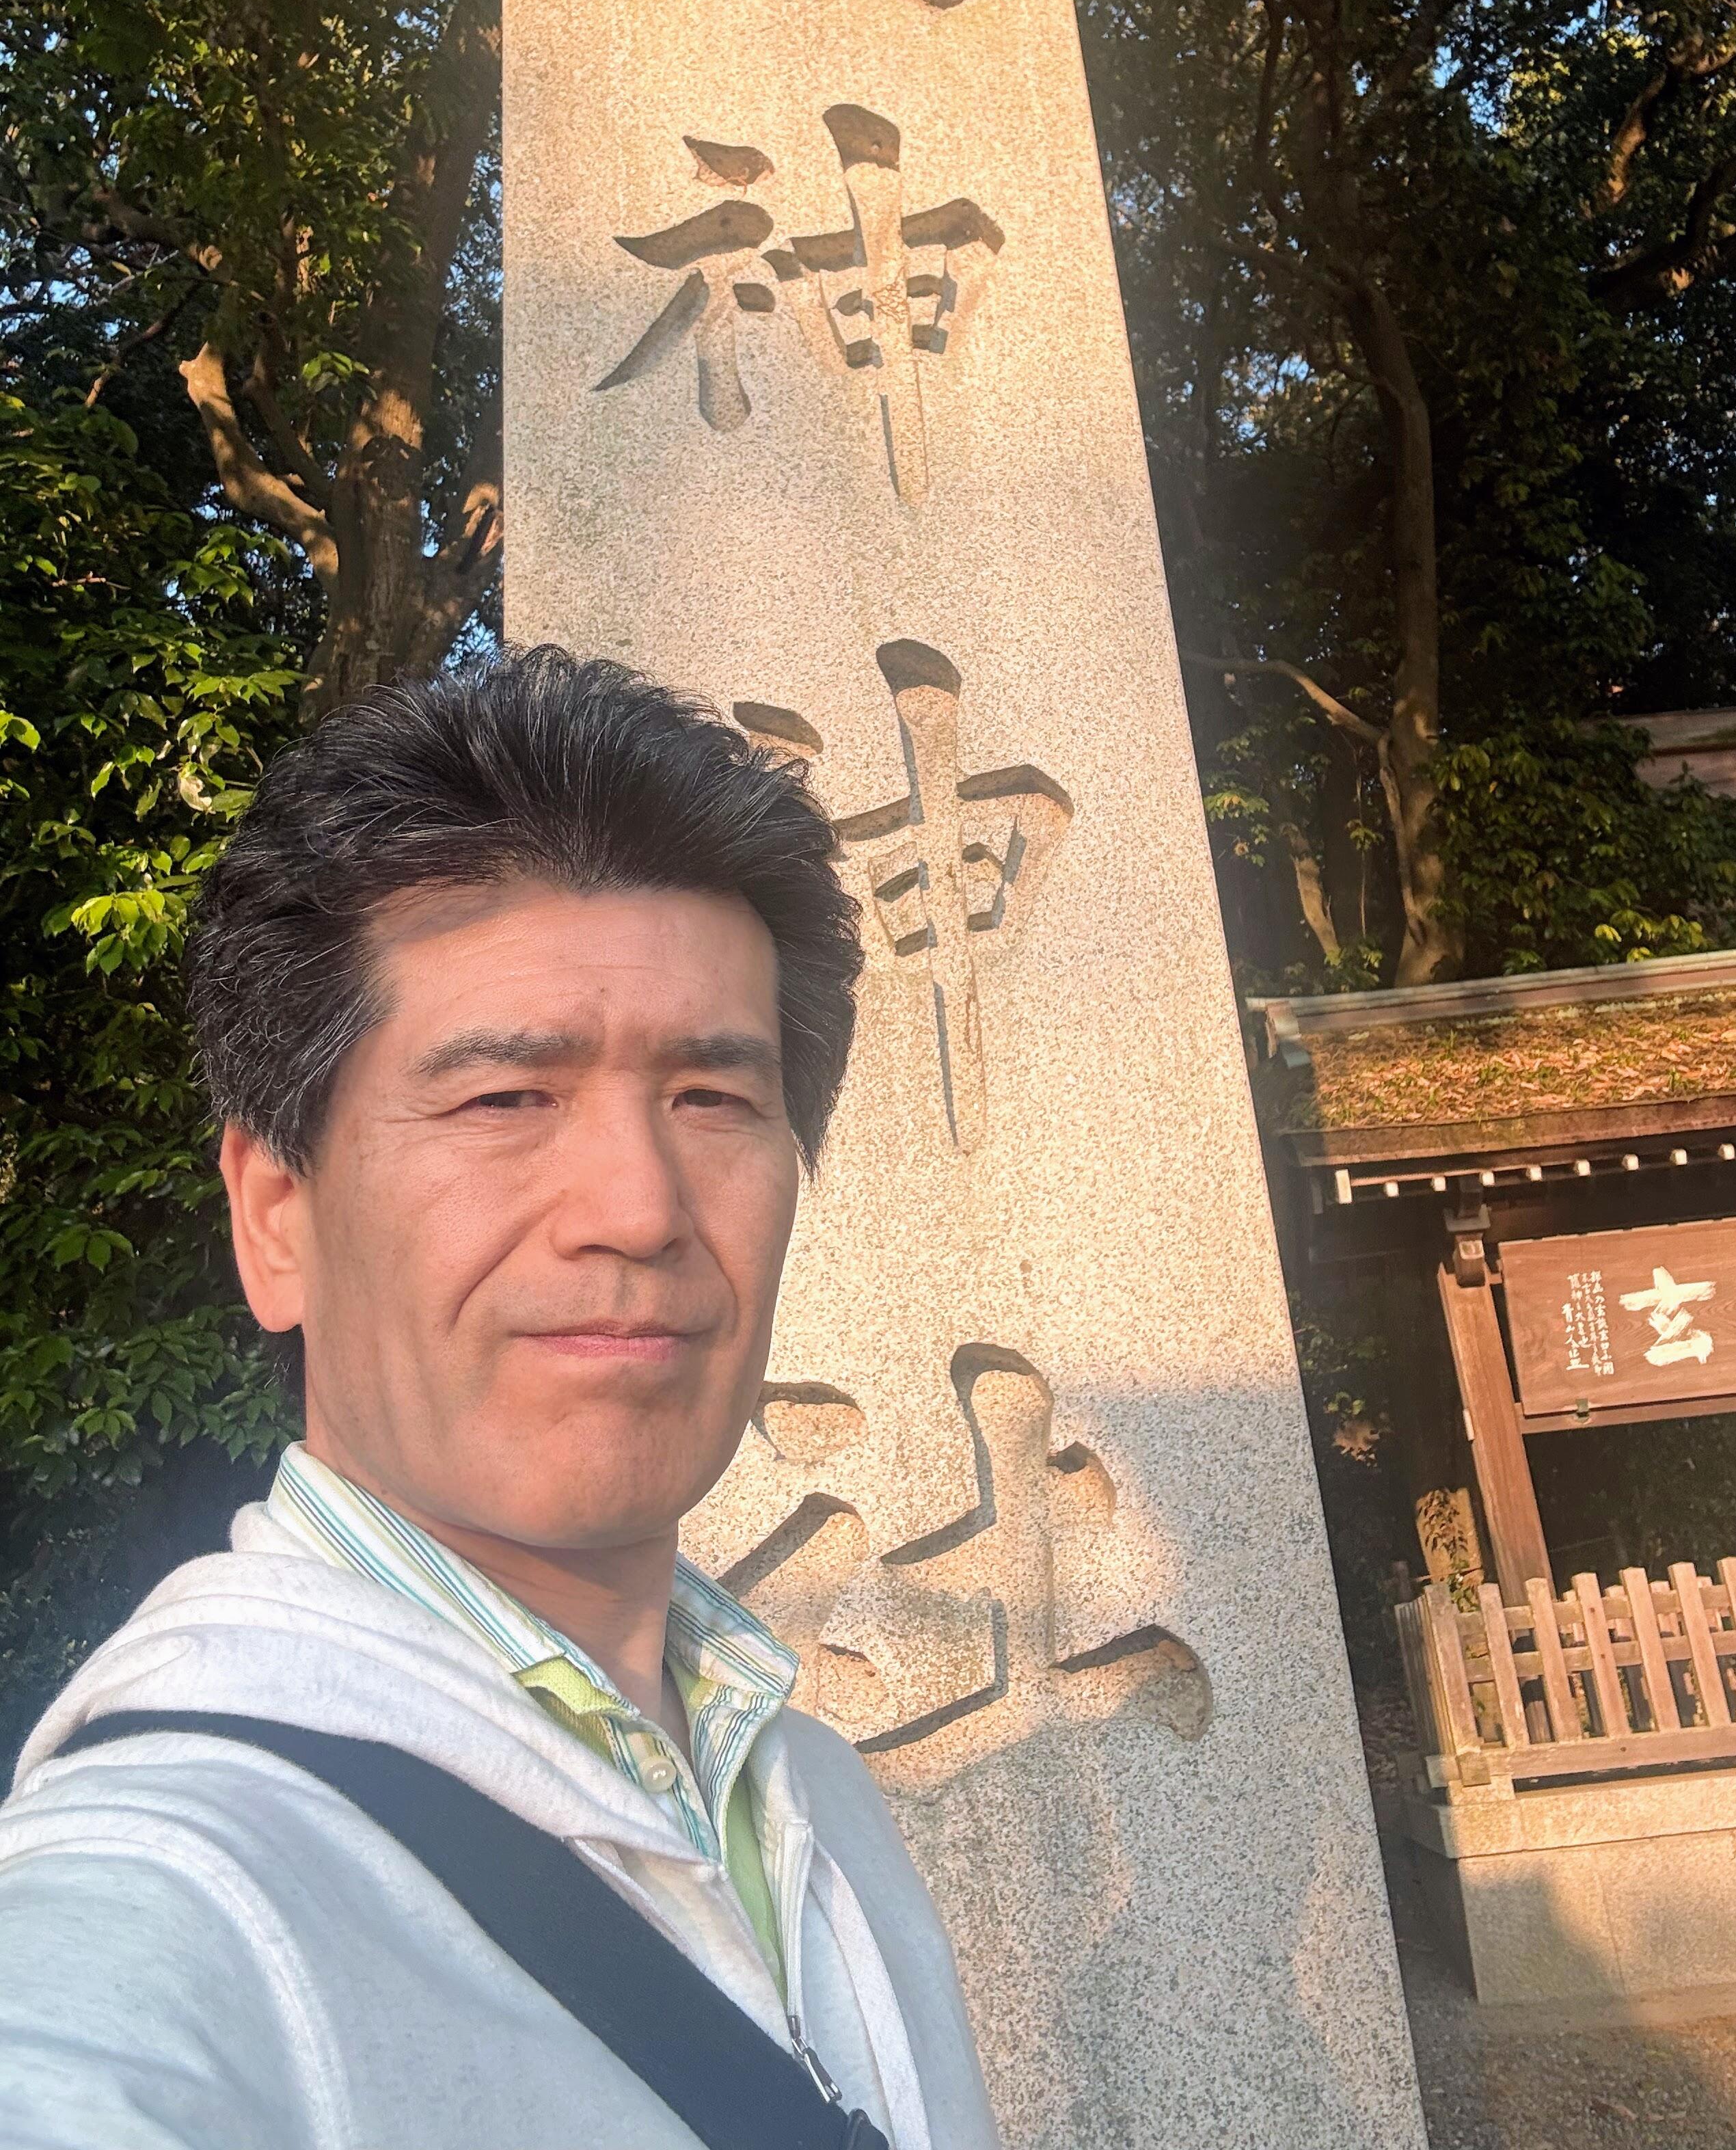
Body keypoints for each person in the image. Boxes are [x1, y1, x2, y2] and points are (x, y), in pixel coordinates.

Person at [0, 647, 999, 2150]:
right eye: (504, 1097)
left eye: (713, 1098)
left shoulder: (810, 1793)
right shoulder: (173, 1886)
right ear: (276, 1217)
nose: (639, 1209)